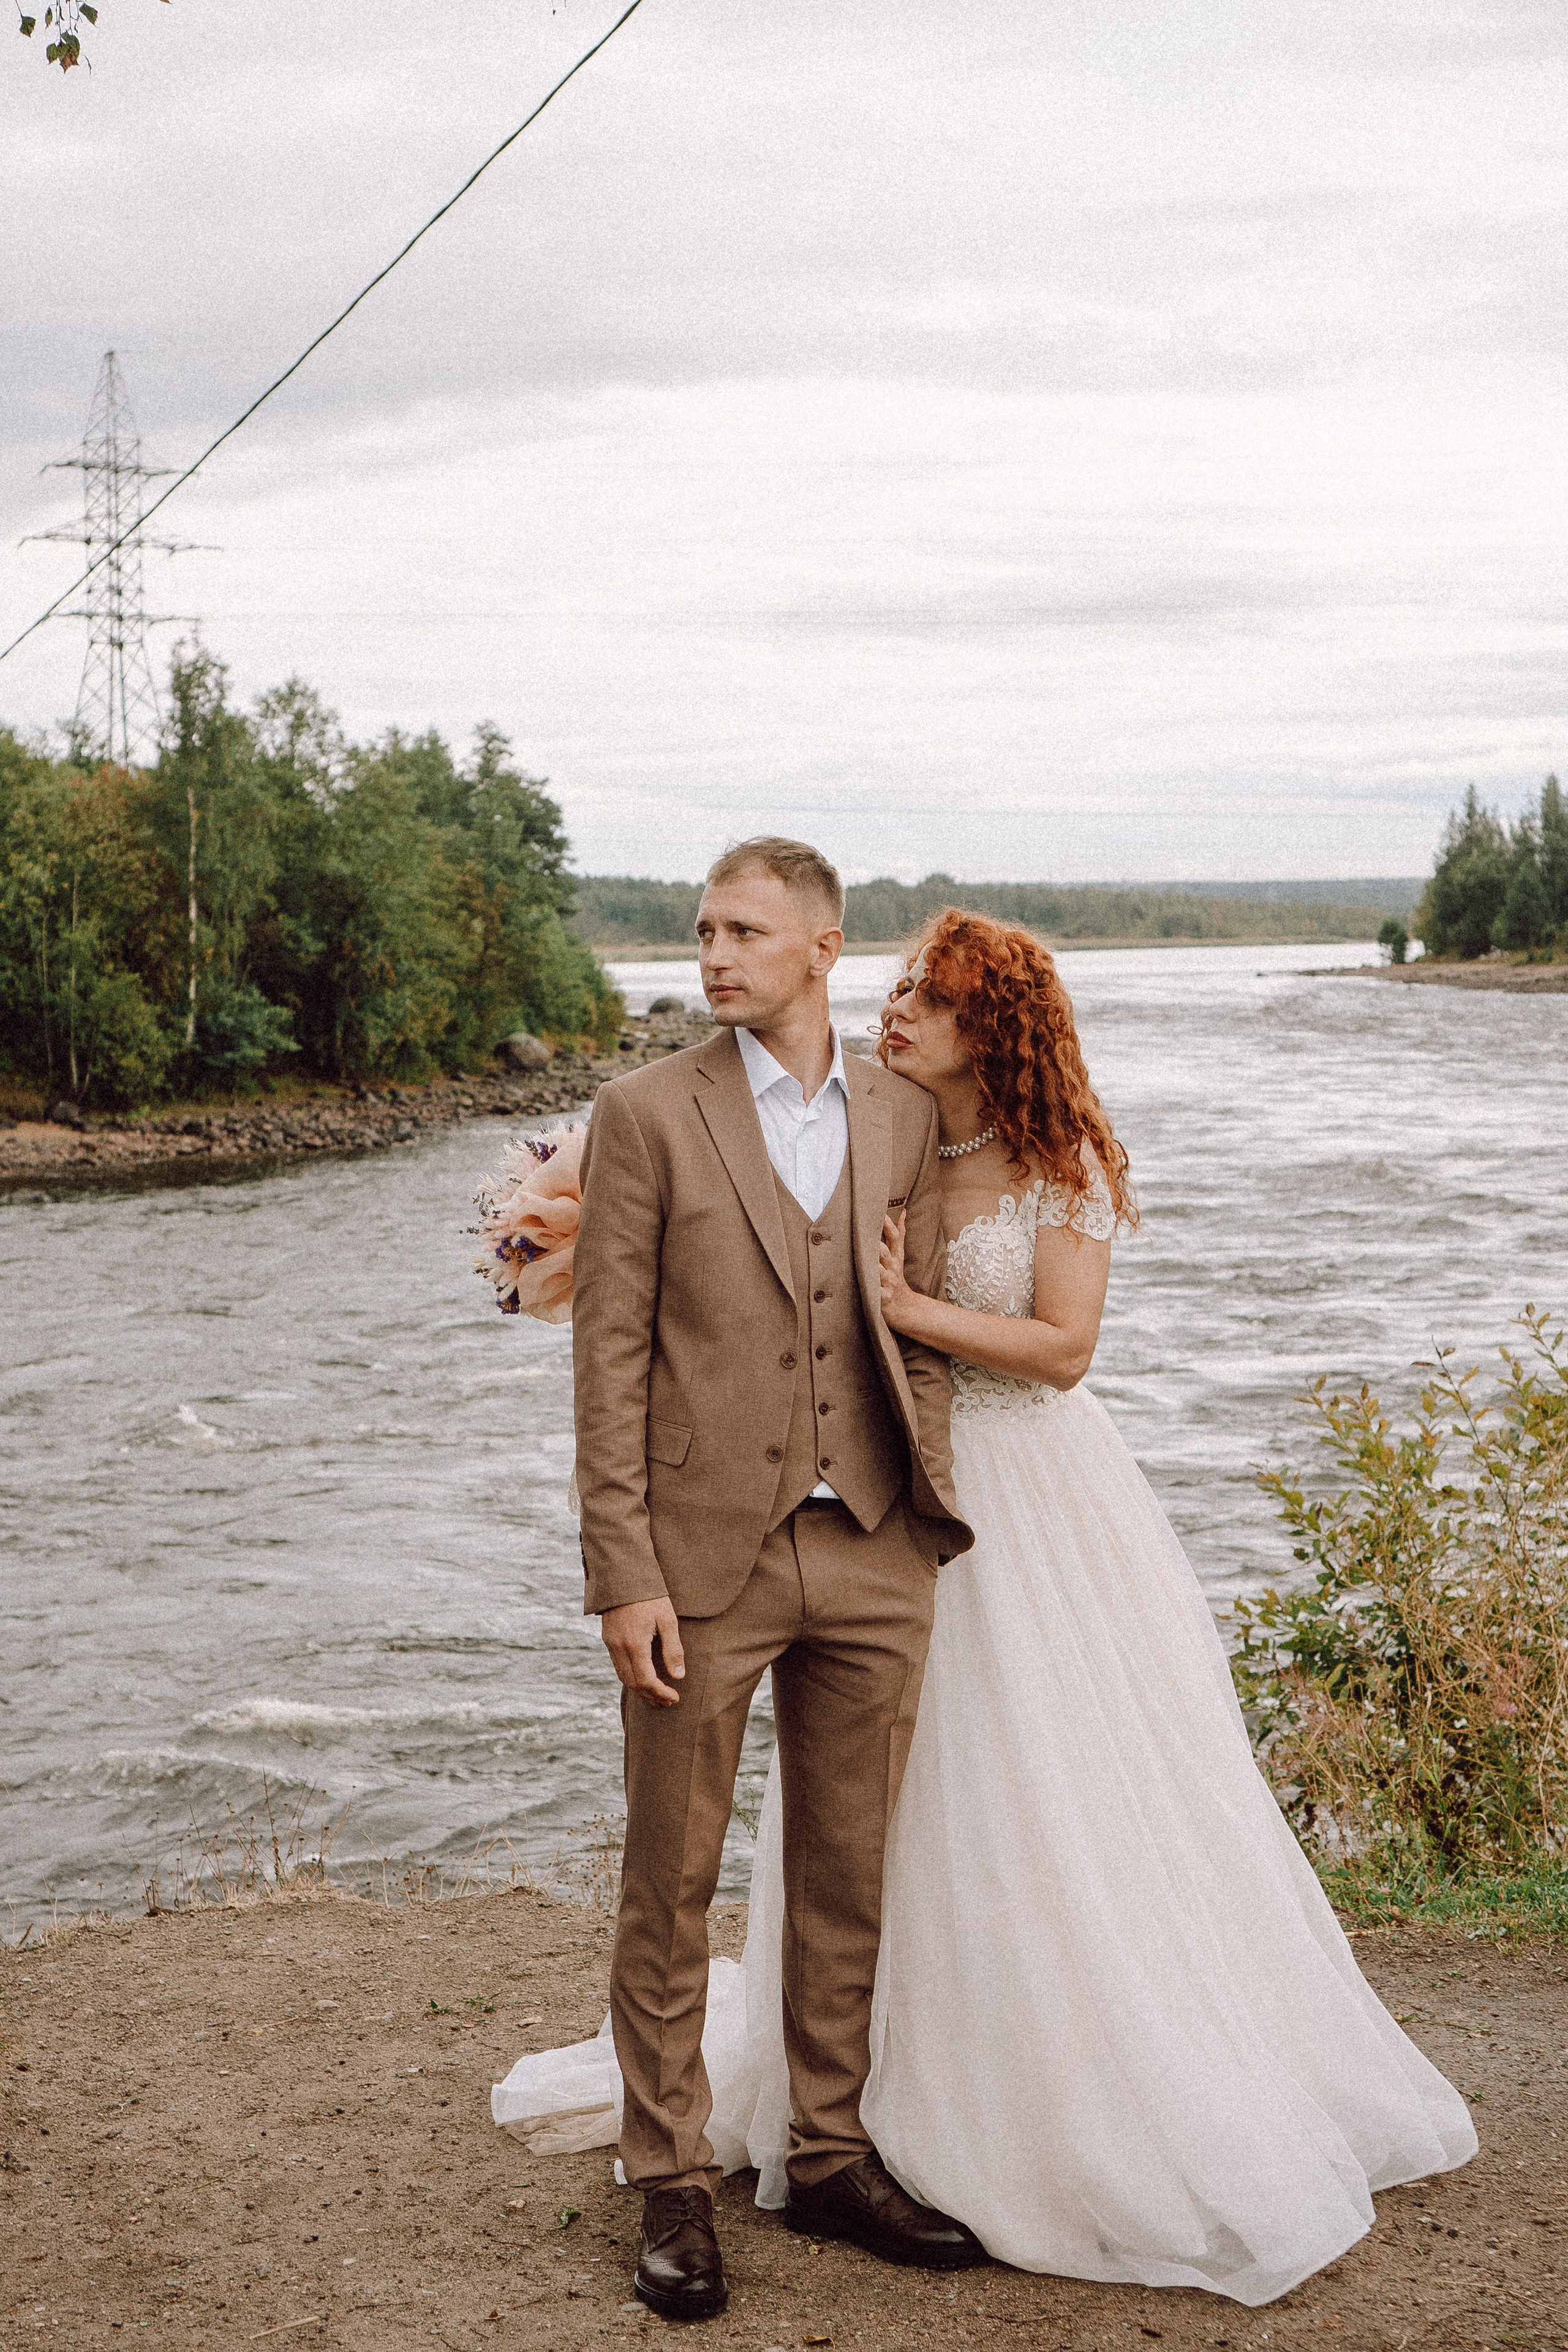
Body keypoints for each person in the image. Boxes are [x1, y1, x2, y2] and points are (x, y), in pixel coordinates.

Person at [494, 902, 1476, 2312]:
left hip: (1032, 1501)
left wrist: (904, 1307)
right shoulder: (873, 1122)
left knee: (1043, 1791)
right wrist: (574, 1217)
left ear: (992, 1029)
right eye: (897, 990)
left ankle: (1044, 2091)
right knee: (876, 1814)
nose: (896, 1014)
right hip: (885, 1496)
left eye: (930, 1000)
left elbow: (1062, 1348)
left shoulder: (1060, 1159)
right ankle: (849, 2108)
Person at [568, 839, 986, 2321]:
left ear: (823, 946)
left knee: (846, 1873)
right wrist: (622, 1569)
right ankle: (670, 2177)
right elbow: (607, 1358)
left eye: (743, 931)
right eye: (702, 932)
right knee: (669, 1877)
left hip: (871, 1544)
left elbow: (909, 1330)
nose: (712, 956)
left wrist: (923, 1507)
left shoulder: (901, 1112)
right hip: (699, 1561)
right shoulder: (644, 1112)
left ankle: (826, 2153)